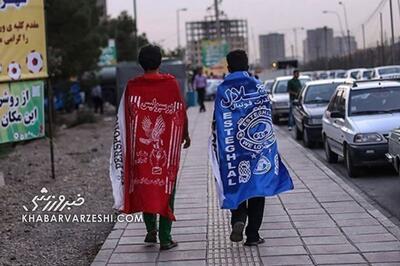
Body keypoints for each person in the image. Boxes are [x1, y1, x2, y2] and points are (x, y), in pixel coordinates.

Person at [109, 45, 191, 251]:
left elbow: (124, 118)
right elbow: (179, 110)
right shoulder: (170, 84)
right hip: (165, 151)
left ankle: (150, 231)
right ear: (160, 61)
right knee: (165, 188)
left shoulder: (132, 86)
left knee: (145, 185)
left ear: (140, 63)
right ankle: (165, 237)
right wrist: (185, 134)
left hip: (140, 150)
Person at [210, 50, 293, 246]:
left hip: (233, 150)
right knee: (257, 188)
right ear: (247, 66)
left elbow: (218, 121)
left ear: (228, 68)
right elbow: (266, 116)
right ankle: (253, 235)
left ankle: (238, 217)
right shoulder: (259, 87)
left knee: (235, 183)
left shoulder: (223, 89)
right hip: (258, 149)